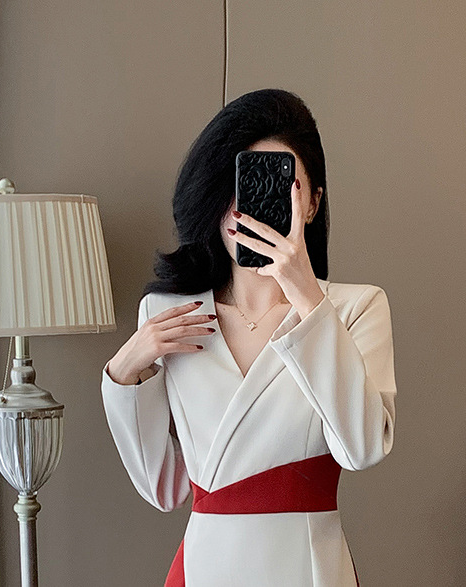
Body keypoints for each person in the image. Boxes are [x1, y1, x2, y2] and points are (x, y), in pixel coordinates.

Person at [101, 88, 397, 586]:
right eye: (239, 185)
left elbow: (362, 448)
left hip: (306, 568)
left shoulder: (356, 308)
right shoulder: (169, 315)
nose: (250, 210)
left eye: (277, 188)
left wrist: (308, 299)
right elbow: (164, 488)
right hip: (206, 569)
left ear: (312, 204)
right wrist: (124, 373)